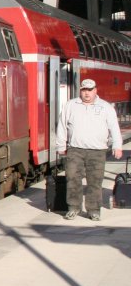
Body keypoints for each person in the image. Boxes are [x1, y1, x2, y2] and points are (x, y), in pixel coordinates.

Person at [55, 78, 123, 220]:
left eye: (90, 90)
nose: (87, 93)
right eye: (84, 90)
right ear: (80, 91)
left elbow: (114, 128)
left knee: (95, 181)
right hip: (75, 149)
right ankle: (73, 208)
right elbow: (62, 126)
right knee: (72, 179)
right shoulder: (70, 105)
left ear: (95, 90)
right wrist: (61, 145)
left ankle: (93, 210)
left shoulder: (105, 107)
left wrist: (117, 145)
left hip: (97, 151)